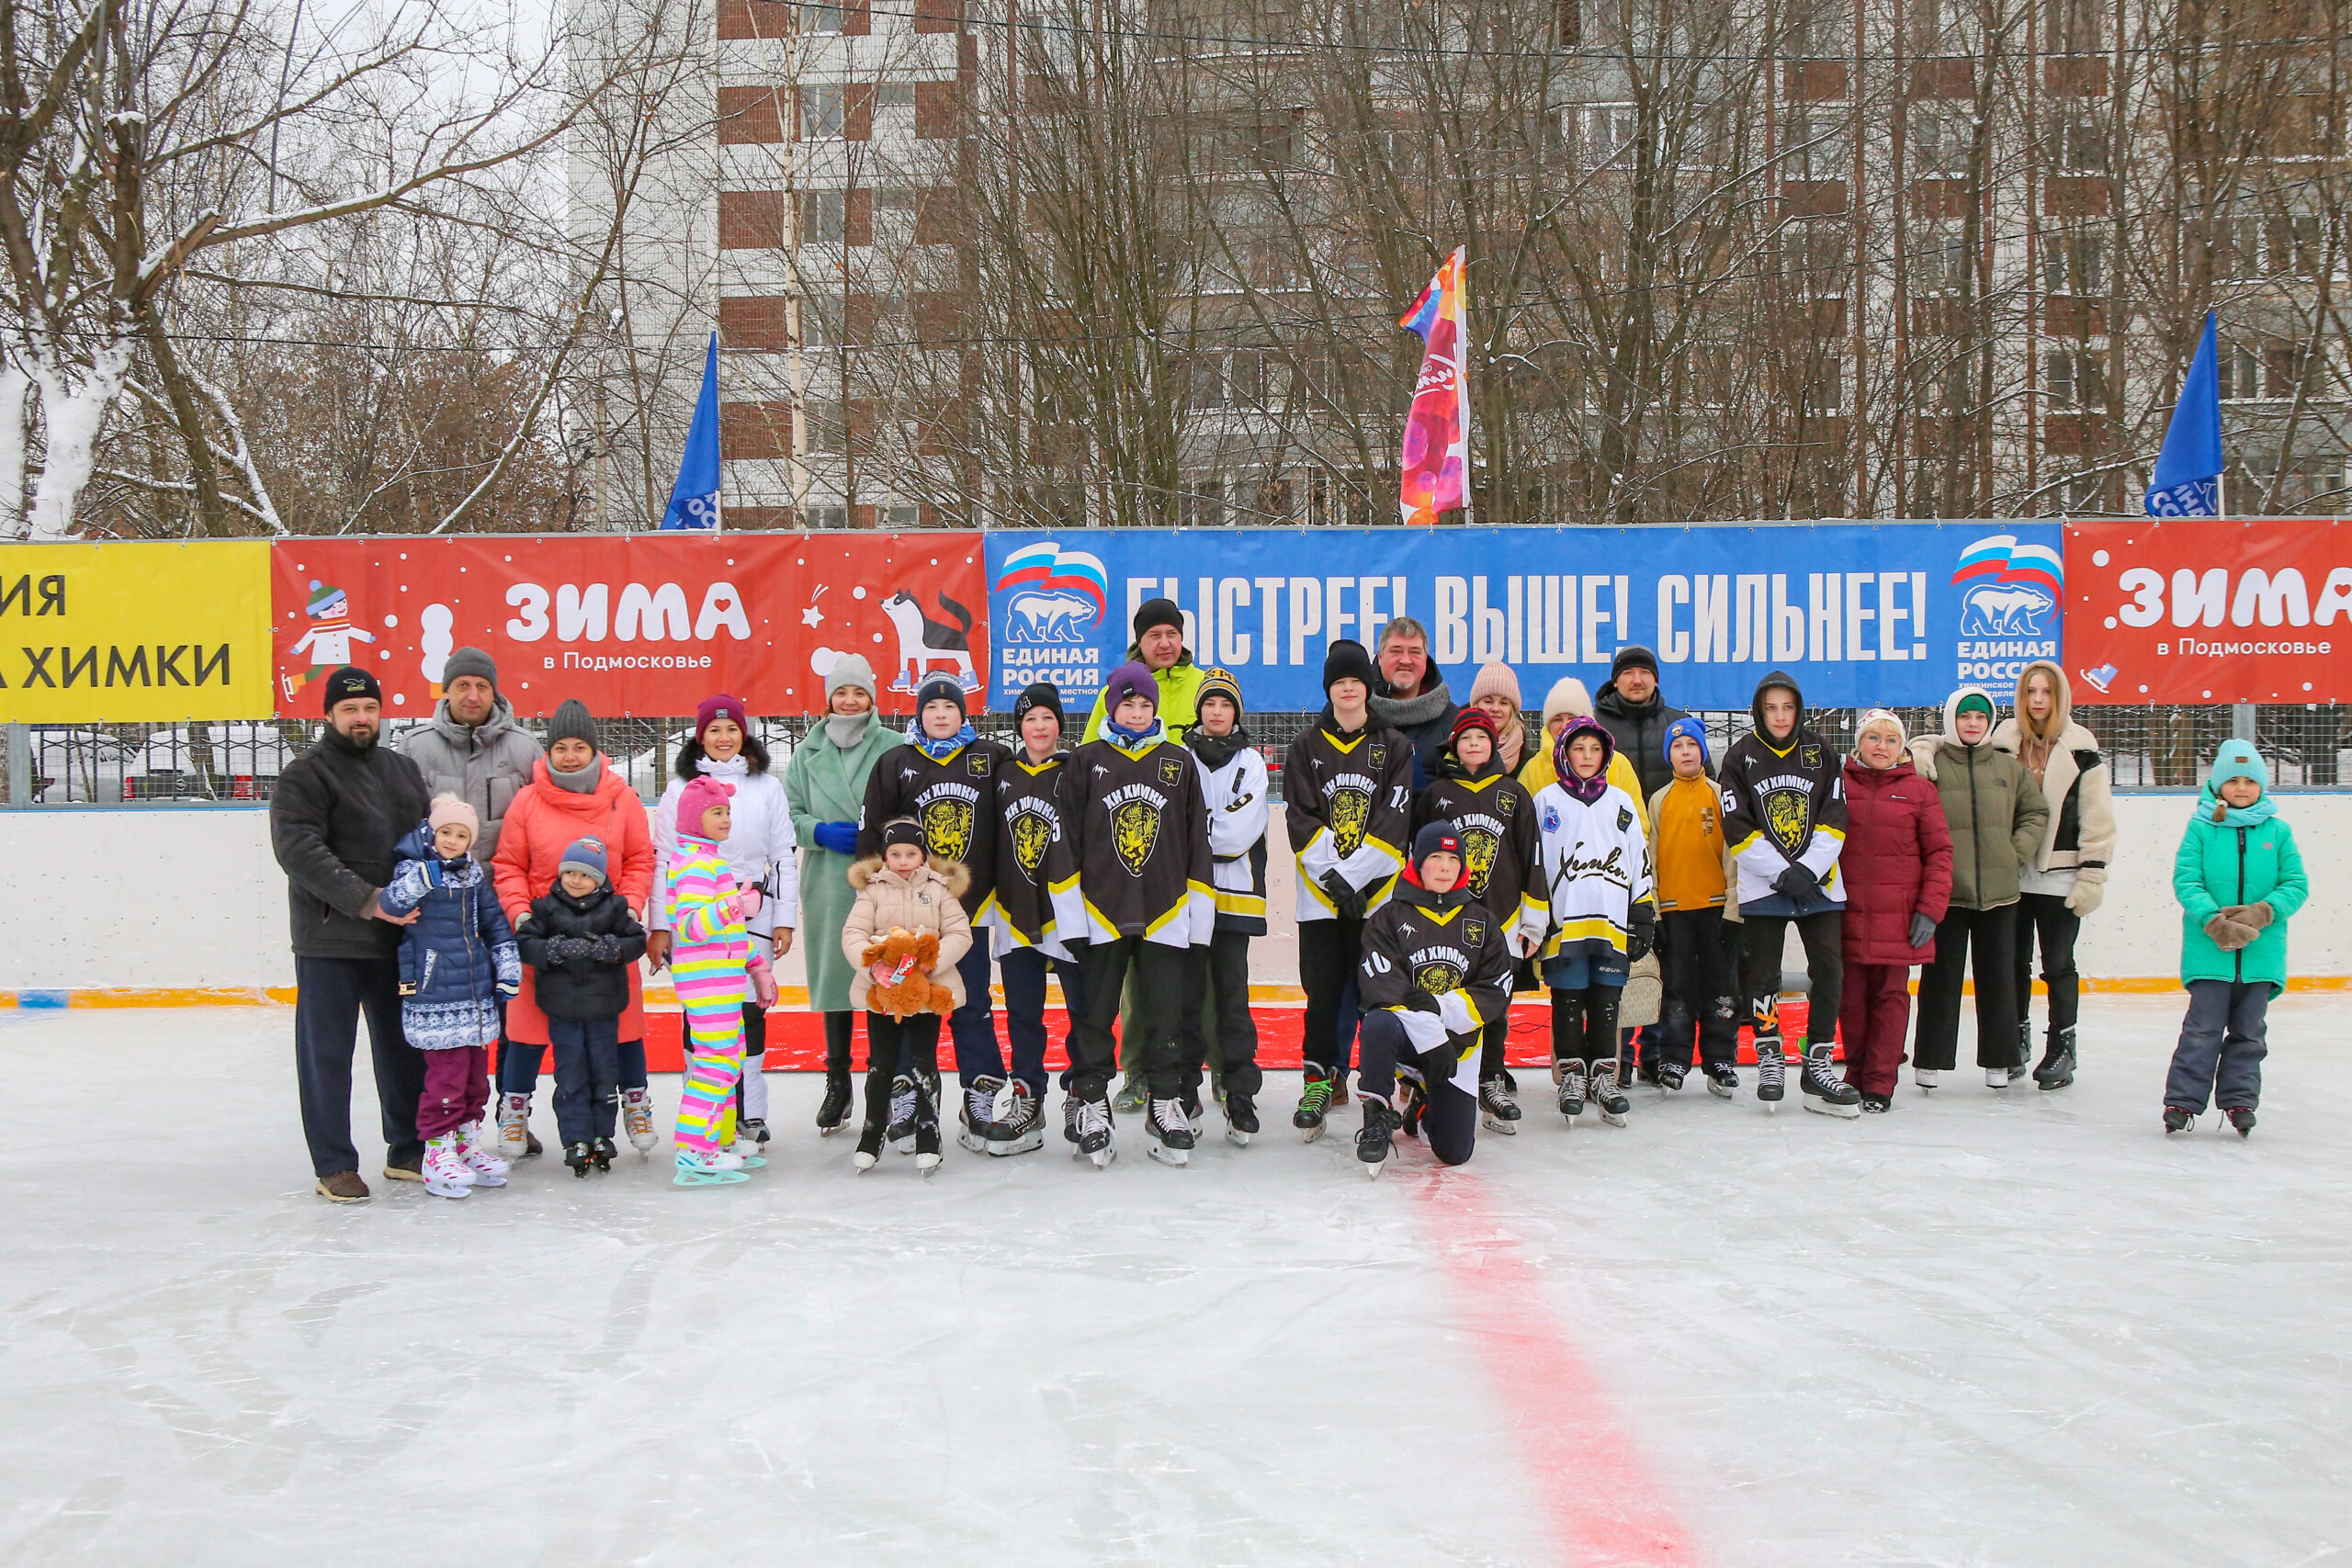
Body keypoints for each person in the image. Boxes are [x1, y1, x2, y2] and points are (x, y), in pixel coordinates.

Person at [270, 665, 433, 1202]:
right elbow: (300, 851)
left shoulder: (403, 771)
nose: (361, 718)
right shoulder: (306, 775)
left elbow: (422, 843)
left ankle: (407, 1148)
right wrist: (368, 900)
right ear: (329, 715)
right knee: (326, 1056)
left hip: (396, 942)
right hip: (330, 941)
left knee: (403, 1048)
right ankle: (334, 1163)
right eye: (349, 710)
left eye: (369, 709)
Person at [1053, 661, 1216, 1168]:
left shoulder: (1178, 761)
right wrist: (1071, 916)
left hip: (1165, 910)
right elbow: (1066, 842)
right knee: (1095, 1014)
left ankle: (1165, 1102)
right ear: (1111, 705)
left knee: (1166, 1011)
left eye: (1146, 704)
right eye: (1129, 703)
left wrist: (1199, 916)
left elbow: (1196, 842)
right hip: (1100, 911)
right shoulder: (1085, 761)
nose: (1138, 712)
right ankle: (1094, 1101)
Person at [491, 700, 657, 1159]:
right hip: (546, 934)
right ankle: (514, 1109)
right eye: (560, 747)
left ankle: (636, 1101)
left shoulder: (621, 798)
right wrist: (522, 916)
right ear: (548, 752)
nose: (569, 756)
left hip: (606, 932)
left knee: (623, 1024)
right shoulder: (528, 799)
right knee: (526, 1028)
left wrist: (629, 909)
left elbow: (642, 859)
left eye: (579, 746)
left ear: (594, 749)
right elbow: (508, 865)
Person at [395, 648, 544, 1147]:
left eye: (481, 686)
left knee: (503, 1018)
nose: (473, 695)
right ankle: (435, 1131)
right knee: (441, 1032)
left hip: (499, 905)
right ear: (447, 691)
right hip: (437, 917)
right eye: (462, 686)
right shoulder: (415, 749)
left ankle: (499, 1118)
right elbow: (402, 831)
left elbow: (537, 823)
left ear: (495, 691)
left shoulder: (524, 750)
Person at [858, 676, 1011, 1150]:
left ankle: (979, 1090)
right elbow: (873, 838)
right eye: (932, 707)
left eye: (950, 706)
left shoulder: (990, 757)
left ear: (964, 714)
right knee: (906, 1004)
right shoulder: (895, 762)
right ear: (919, 714)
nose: (941, 714)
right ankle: (907, 1090)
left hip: (970, 911)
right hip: (907, 918)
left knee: (972, 1003)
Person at [651, 694, 798, 1149]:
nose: (723, 738)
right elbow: (663, 862)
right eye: (713, 730)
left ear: (744, 734)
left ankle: (749, 1113)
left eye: (731, 729)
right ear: (700, 737)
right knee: (703, 1014)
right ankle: (705, 1120)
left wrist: (785, 918)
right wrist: (659, 925)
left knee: (750, 1013)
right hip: (699, 911)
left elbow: (783, 857)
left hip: (754, 909)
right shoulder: (679, 789)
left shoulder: (767, 787)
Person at [1283, 639, 1415, 1138]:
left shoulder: (1394, 747)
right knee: (1323, 993)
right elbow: (1301, 818)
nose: (1348, 688)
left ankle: (1384, 1081)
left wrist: (1357, 878)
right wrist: (1335, 881)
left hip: (1378, 900)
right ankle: (1320, 1076)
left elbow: (1392, 821)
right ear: (1329, 689)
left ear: (1367, 686)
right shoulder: (1305, 747)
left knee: (1379, 993)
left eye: (1355, 680)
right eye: (1339, 681)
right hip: (1319, 900)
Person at [1718, 671, 1861, 1115]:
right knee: (1763, 975)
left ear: (1798, 709)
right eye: (1770, 708)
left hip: (1818, 883)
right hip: (1765, 886)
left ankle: (1817, 1061)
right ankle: (1770, 1055)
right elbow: (1736, 826)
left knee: (1829, 968)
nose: (1780, 716)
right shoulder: (1739, 758)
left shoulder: (1821, 752)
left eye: (1787, 707)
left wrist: (1807, 869)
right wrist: (1782, 874)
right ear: (1759, 711)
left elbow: (1835, 817)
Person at [1351, 823, 1517, 1176]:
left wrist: (1441, 1010)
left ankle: (1425, 1105)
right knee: (1377, 1022)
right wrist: (1430, 1035)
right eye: (1435, 857)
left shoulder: (1483, 922)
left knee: (1454, 1153)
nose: (1444, 867)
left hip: (1459, 1048)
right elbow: (1381, 987)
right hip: (1411, 1041)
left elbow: (1496, 990)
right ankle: (1378, 1116)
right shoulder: (1388, 918)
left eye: (1453, 858)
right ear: (1418, 863)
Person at [380, 797, 522, 1199]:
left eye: (462, 835)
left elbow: (493, 922)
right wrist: (424, 876)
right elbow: (392, 903)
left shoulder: (473, 875)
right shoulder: (414, 870)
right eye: (446, 832)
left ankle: (465, 1143)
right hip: (435, 992)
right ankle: (437, 1151)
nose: (453, 841)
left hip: (475, 994)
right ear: (432, 832)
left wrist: (506, 966)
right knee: (446, 1077)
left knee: (476, 1078)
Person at [1909, 686, 2049, 1091]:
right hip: (1946, 894)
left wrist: (2014, 852)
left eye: (1981, 717)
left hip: (2000, 894)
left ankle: (2000, 1060)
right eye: (1966, 716)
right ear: (1952, 719)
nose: (1973, 723)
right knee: (1940, 980)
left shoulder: (2008, 768)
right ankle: (1930, 1060)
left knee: (1999, 978)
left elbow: (2035, 811)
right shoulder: (1931, 764)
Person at [2165, 740, 2307, 1137]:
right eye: (2232, 780)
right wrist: (2213, 920)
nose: (2241, 788)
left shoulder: (2278, 832)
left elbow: (2295, 884)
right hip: (2209, 953)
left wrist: (2263, 912)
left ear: (2261, 786)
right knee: (2202, 1030)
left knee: (2249, 1033)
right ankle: (2183, 1101)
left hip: (2262, 956)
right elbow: (2187, 881)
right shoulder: (2201, 828)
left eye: (2250, 781)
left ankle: (2239, 1100)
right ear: (2217, 786)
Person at [1412, 706, 1543, 1131]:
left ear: (1493, 745)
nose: (1473, 744)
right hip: (1446, 920)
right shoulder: (1436, 794)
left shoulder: (1513, 793)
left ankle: (1490, 1078)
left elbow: (1532, 857)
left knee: (1494, 1007)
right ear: (1453, 743)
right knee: (1443, 999)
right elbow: (1417, 858)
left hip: (1501, 921)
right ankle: (1432, 1082)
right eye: (1465, 737)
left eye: (1481, 738)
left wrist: (1534, 919)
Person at [784, 655, 897, 1134]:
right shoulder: (806, 751)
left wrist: (885, 837)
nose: (849, 701)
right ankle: (837, 1077)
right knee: (834, 976)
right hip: (830, 877)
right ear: (828, 698)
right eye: (841, 692)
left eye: (858, 692)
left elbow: (912, 803)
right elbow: (787, 812)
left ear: (872, 696)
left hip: (883, 876)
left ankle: (882, 1077)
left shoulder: (893, 746)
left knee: (881, 971)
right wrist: (818, 832)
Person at [1992, 660, 2116, 1090]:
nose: (2039, 701)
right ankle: (2015, 1036)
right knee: (2012, 963)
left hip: (2061, 874)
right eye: (2031, 693)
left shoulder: (2082, 751)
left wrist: (2092, 875)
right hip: (2012, 874)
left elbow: (2096, 818)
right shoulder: (2001, 744)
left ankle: (2062, 1045)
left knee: (2059, 965)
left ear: (2060, 697)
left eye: (2046, 692)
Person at [1530, 716, 1654, 1128]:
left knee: (1606, 1000)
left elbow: (1639, 858)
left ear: (1606, 754)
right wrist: (1535, 914)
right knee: (1566, 998)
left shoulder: (1621, 802)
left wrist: (1642, 911)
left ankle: (1603, 1077)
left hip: (1611, 921)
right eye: (1578, 749)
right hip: (1562, 922)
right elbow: (1533, 863)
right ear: (1564, 753)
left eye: (1594, 749)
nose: (1586, 756)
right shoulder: (1546, 801)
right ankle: (1572, 1076)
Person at [984, 682, 1088, 1156]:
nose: (1040, 727)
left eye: (1048, 718)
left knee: (1083, 1012)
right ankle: (1028, 1093)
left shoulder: (1078, 771)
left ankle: (1083, 1094)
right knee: (1023, 1013)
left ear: (1060, 725)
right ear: (1019, 727)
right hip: (1013, 908)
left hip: (1068, 913)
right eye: (1030, 719)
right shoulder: (1000, 772)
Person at [1837, 710, 1952, 1113]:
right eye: (1873, 738)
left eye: (1890, 739)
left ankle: (1880, 1082)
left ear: (1902, 746)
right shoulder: (1837, 787)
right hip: (1847, 915)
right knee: (1849, 1000)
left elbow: (1939, 855)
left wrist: (1930, 910)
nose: (1881, 746)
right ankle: (1855, 1072)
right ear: (1859, 743)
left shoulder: (1920, 792)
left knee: (1890, 998)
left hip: (1898, 920)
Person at [843, 818, 974, 1174]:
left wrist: (930, 964)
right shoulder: (871, 891)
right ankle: (871, 1133)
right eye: (895, 853)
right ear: (885, 856)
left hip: (926, 994)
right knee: (881, 1063)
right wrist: (874, 969)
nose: (903, 860)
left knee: (923, 1063)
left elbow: (960, 934)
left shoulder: (939, 889)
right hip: (883, 993)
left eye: (911, 853)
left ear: (922, 855)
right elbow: (853, 934)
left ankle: (928, 1132)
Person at [514, 835, 647, 1176]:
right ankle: (575, 1138)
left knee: (605, 1073)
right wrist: (554, 950)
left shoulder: (614, 908)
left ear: (600, 879)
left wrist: (611, 948)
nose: (576, 880)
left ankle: (602, 1134)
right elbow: (525, 943)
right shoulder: (545, 908)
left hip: (604, 1010)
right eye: (570, 872)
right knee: (570, 1075)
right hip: (563, 1010)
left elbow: (636, 940)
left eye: (586, 874)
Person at [666, 775, 770, 1187]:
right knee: (714, 1065)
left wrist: (758, 967)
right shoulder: (693, 865)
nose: (726, 819)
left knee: (729, 1062)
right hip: (705, 984)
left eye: (727, 812)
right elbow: (691, 926)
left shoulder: (712, 861)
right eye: (716, 813)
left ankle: (718, 1139)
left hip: (723, 982)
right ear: (695, 819)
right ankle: (694, 1149)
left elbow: (732, 935)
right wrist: (733, 905)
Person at [1181, 667, 1268, 1144]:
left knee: (1233, 1002)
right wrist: (1202, 830)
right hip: (1188, 900)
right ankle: (1186, 1091)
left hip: (1236, 900)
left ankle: (1239, 1094)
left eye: (1226, 705)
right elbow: (1174, 824)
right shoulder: (1178, 758)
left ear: (1236, 712)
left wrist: (1201, 830)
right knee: (1186, 1000)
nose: (1217, 712)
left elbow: (1238, 834)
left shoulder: (1252, 762)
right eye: (1210, 704)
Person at [1646, 716, 1742, 1097]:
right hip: (1674, 912)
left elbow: (1735, 856)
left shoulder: (1720, 795)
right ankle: (1674, 1058)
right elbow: (1649, 859)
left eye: (1691, 746)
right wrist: (1654, 912)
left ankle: (1720, 1057)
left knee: (1722, 988)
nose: (1685, 752)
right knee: (1678, 989)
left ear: (1703, 751)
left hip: (1716, 909)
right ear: (1668, 755)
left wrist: (1733, 911)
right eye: (1677, 746)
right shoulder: (1659, 800)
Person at [1080, 597, 1205, 741]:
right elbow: (1088, 757)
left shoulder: (1205, 685)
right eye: (1155, 635)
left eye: (1172, 633)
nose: (1165, 643)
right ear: (1139, 641)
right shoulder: (1115, 691)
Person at [1517, 675, 1645, 807]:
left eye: (1572, 718)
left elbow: (1639, 821)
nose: (1564, 725)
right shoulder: (1533, 769)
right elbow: (1523, 822)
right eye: (1557, 719)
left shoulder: (1618, 764)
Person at [1367, 615, 1459, 786]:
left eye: (1415, 652)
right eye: (1396, 651)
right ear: (1380, 656)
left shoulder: (1453, 722)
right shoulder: (1357, 715)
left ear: (1425, 658)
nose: (1405, 660)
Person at [1593, 646, 1690, 806]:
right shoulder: (1594, 725)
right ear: (1615, 682)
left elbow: (1704, 778)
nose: (1637, 680)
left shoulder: (1678, 724)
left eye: (1645, 672)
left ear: (1656, 680)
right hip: (1612, 826)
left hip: (1668, 824)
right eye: (1628, 672)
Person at [1464, 660, 1530, 773]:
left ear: (1512, 710)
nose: (1495, 708)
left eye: (1503, 703)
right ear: (1476, 705)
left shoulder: (1528, 762)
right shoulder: (1454, 750)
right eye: (1488, 701)